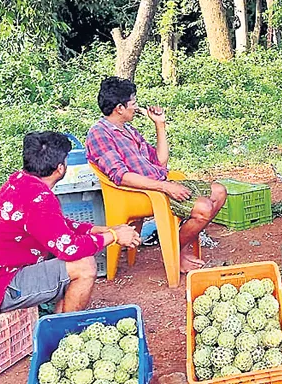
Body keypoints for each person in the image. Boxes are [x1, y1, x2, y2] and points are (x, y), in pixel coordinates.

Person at [0, 132, 140, 315]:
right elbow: (68, 248)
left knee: (75, 257)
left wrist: (101, 230)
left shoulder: (21, 181)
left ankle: (56, 317)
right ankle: (62, 332)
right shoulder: (39, 197)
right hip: (1, 288)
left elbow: (55, 227)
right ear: (60, 168)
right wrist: (114, 236)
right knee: (84, 266)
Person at [86, 76, 227, 272]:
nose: (136, 107)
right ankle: (175, 252)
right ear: (119, 108)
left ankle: (178, 247)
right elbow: (121, 176)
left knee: (219, 191)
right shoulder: (100, 134)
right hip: (138, 193)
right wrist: (164, 186)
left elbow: (160, 161)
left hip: (159, 184)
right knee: (203, 208)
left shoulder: (129, 130)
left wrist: (160, 125)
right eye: (133, 103)